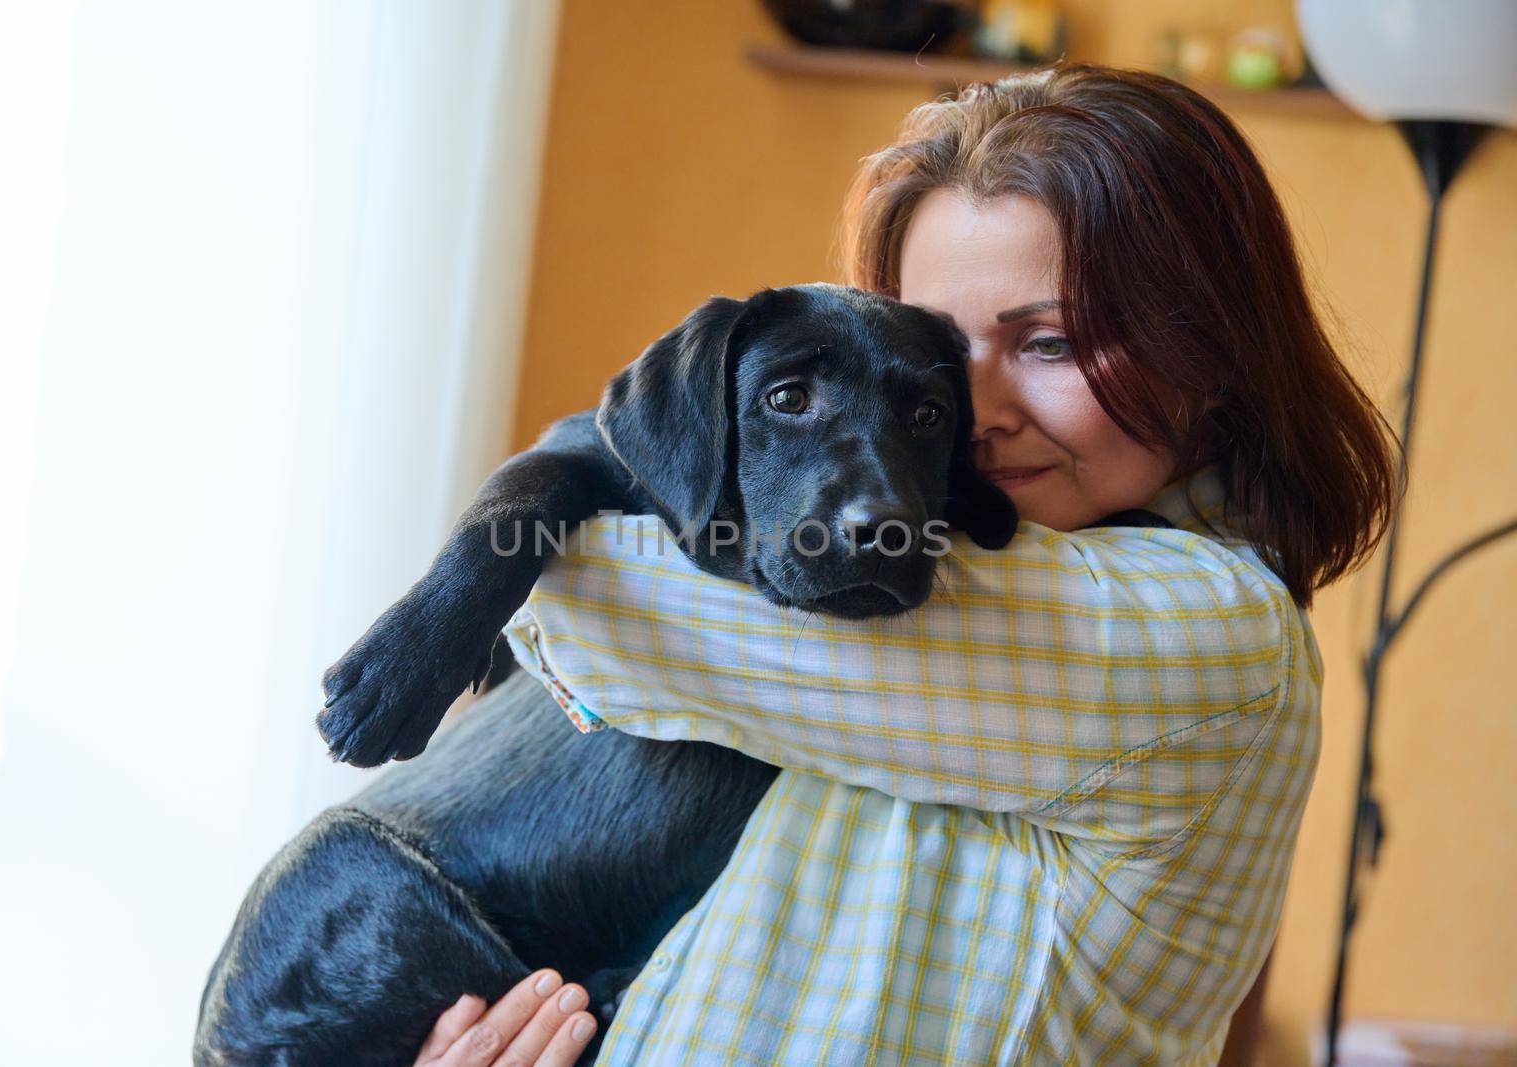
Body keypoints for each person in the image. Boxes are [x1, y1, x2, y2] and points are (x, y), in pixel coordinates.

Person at [413, 64, 1397, 1066]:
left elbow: (600, 597)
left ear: (1212, 353)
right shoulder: (937, 564)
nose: (977, 416)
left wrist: (535, 524)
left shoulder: (1207, 632)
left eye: (1048, 343)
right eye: (937, 358)